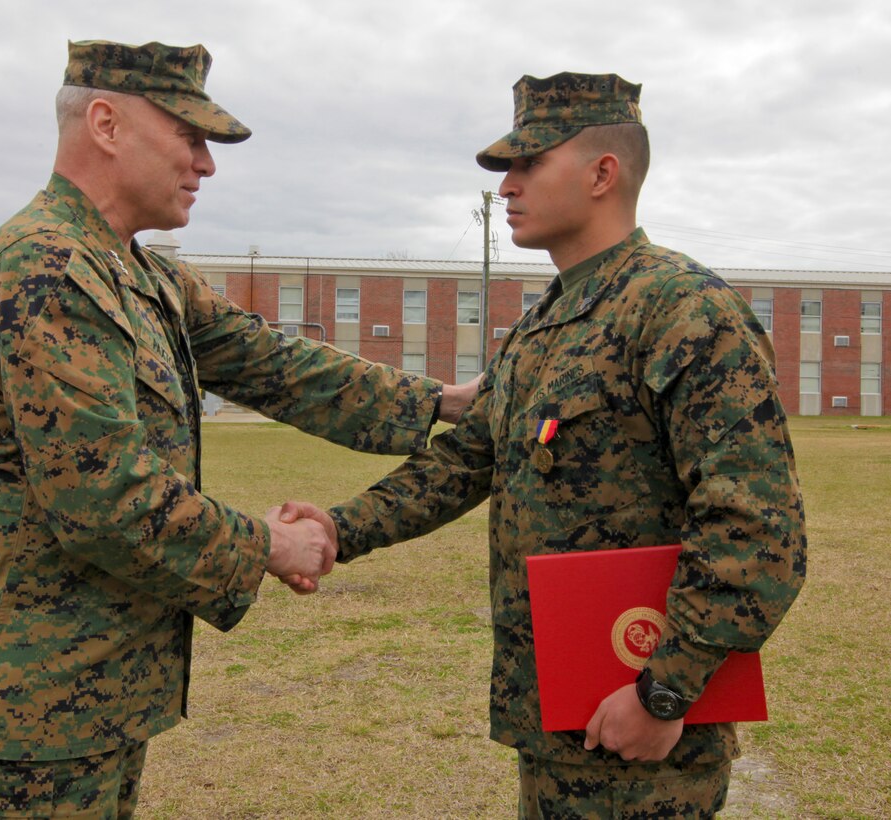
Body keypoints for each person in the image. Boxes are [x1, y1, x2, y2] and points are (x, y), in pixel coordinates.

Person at [0, 39, 477, 818]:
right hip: (13, 705)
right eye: (188, 137)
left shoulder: (136, 272)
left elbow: (274, 362)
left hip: (79, 697)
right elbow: (103, 496)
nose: (205, 164)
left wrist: (438, 401)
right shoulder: (45, 267)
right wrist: (270, 544)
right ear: (105, 123)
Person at [284, 72, 807, 817]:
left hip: (643, 723)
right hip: (559, 711)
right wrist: (341, 527)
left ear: (603, 173)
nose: (506, 188)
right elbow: (467, 458)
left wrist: (665, 691)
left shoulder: (683, 311)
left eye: (528, 163)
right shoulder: (545, 325)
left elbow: (757, 529)